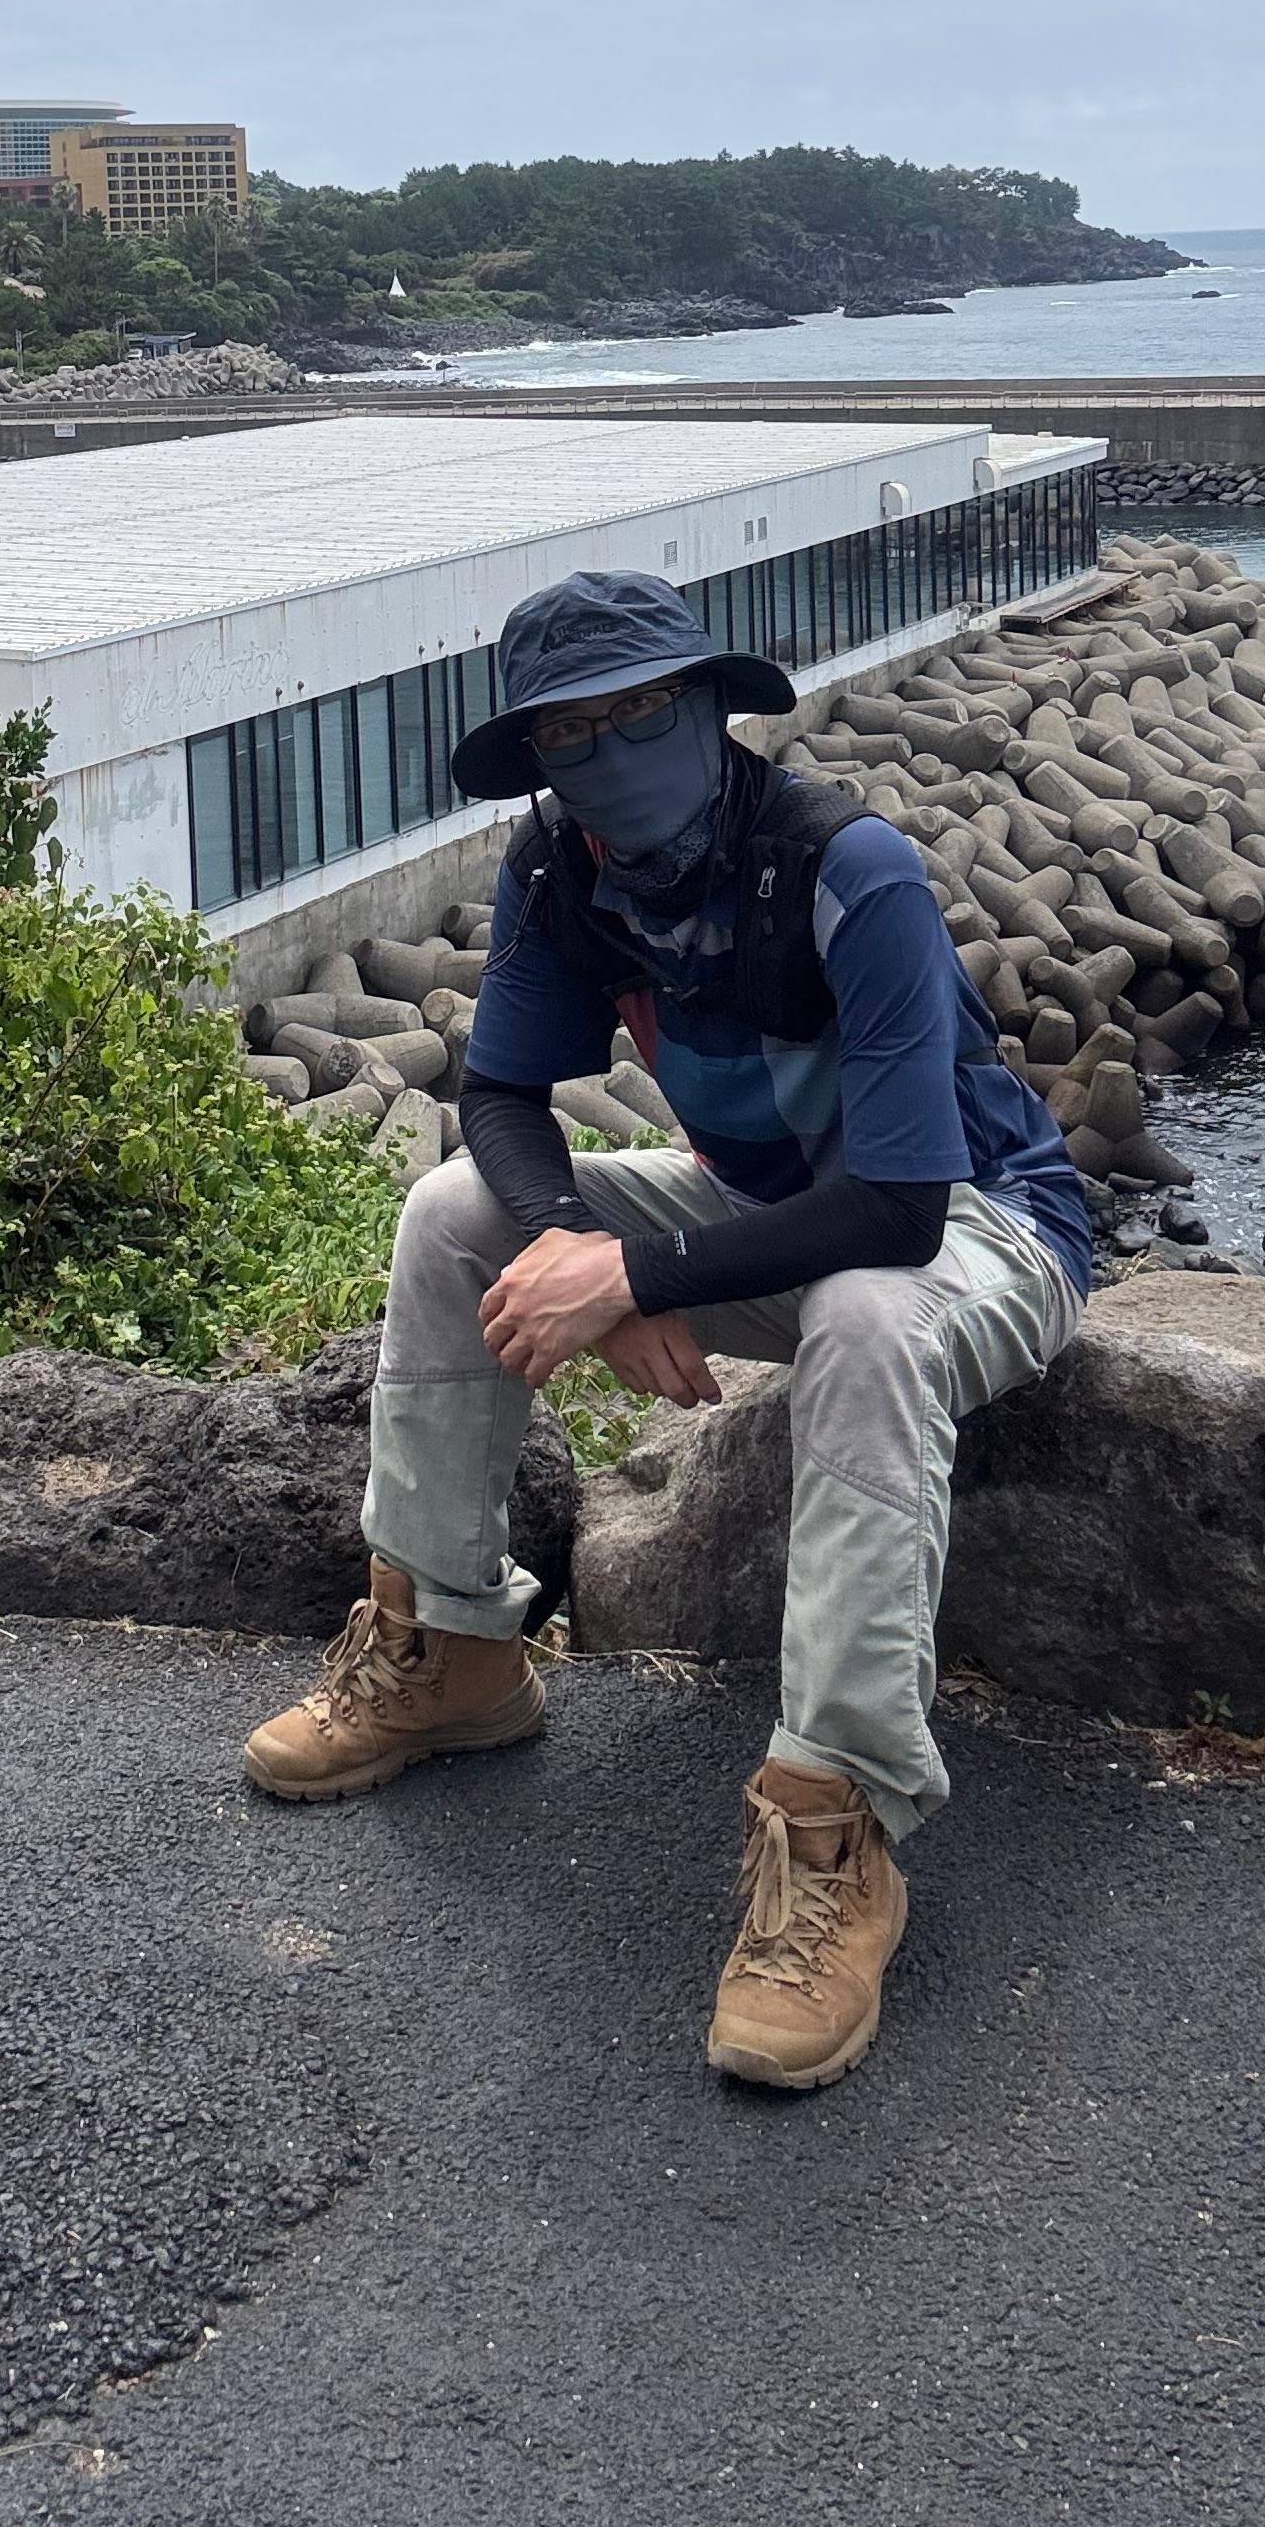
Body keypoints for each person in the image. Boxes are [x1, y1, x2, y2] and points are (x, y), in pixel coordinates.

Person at [243, 567, 1091, 2092]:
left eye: (641, 710)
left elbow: (903, 1208)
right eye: (569, 731)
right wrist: (576, 1248)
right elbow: (501, 1098)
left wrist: (637, 1280)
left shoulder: (848, 871)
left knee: (869, 1320)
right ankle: (449, 1648)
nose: (610, 751)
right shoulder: (561, 866)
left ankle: (836, 1824)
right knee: (449, 1213)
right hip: (767, 1204)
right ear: (537, 760)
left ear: (710, 707)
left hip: (983, 1223)